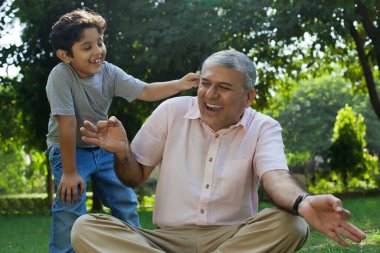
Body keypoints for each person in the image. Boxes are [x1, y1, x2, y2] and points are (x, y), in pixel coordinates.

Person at [72, 50, 366, 253]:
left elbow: (274, 177)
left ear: (248, 97)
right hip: (164, 242)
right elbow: (133, 177)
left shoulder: (264, 127)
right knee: (86, 227)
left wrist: (302, 202)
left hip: (234, 240)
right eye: (205, 84)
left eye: (223, 87)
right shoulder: (171, 111)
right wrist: (123, 152)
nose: (210, 95)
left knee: (293, 224)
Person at [45, 8, 199, 253]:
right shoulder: (60, 76)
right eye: (87, 47)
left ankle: (134, 248)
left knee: (125, 199)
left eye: (100, 42)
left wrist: (180, 84)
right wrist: (70, 172)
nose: (97, 51)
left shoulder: (109, 72)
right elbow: (68, 124)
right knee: (71, 203)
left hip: (103, 147)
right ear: (65, 55)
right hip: (70, 152)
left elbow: (146, 91)